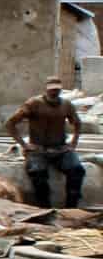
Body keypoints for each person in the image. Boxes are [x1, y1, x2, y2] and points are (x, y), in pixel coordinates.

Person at [5, 77, 85, 208]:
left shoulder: (66, 105)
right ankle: (45, 208)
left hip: (60, 149)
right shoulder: (33, 103)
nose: (55, 92)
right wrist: (23, 145)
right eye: (52, 90)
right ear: (47, 89)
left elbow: (77, 122)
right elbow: (10, 123)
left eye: (57, 90)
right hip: (38, 149)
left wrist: (74, 141)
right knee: (38, 175)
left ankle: (71, 208)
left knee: (77, 170)